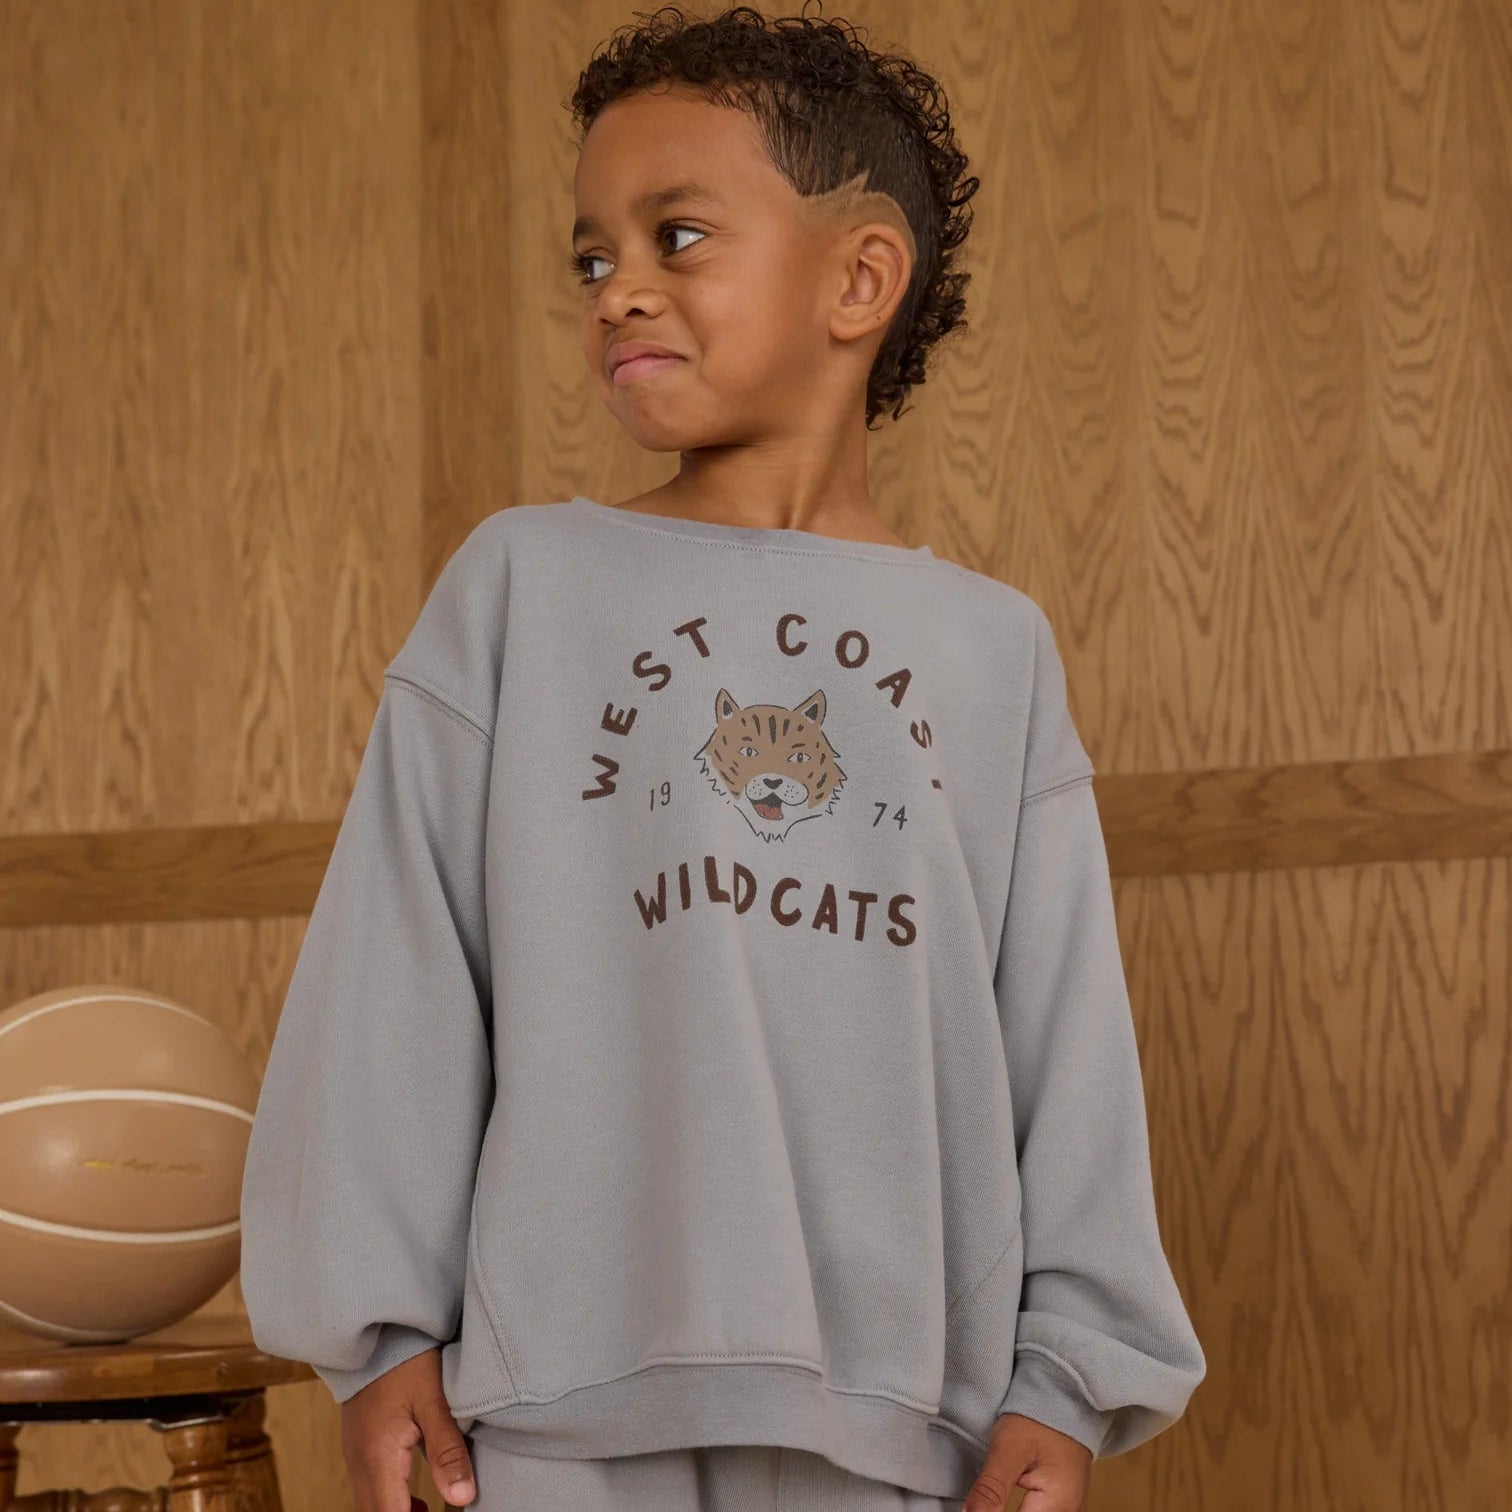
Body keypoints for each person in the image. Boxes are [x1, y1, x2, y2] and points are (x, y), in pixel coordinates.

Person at [238, 6, 1207, 1512]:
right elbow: (397, 967)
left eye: (676, 237)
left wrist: (1068, 1377)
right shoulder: (524, 586)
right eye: (592, 259)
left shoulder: (993, 650)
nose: (619, 289)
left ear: (859, 279)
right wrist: (379, 1335)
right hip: (557, 1413)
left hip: (908, 1424)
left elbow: (1062, 1031)